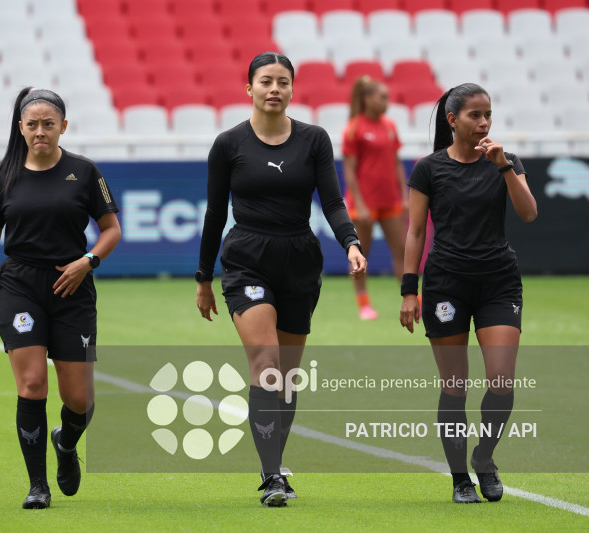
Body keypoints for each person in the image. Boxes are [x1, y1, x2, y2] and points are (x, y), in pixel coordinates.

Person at [195, 52, 367, 507]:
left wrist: (350, 242)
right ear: (248, 88)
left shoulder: (314, 139)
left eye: (283, 82)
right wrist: (203, 276)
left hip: (300, 258)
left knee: (287, 377)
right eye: (266, 81)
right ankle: (271, 475)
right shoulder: (228, 144)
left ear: (292, 89)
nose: (275, 89)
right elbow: (215, 213)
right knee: (267, 364)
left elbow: (332, 200)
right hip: (247, 257)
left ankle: (275, 459)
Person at [0, 87, 121, 509]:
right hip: (20, 286)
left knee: (80, 399)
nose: (41, 131)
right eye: (33, 124)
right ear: (21, 128)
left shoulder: (84, 172)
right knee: (31, 384)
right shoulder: (3, 175)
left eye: (50, 124)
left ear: (63, 127)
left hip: (72, 285)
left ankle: (65, 443)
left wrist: (88, 261)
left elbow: (111, 229)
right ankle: (37, 485)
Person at [399, 83, 537, 503]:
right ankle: (460, 479)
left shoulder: (506, 161)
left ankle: (484, 457)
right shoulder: (429, 168)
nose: (483, 123)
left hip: (498, 281)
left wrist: (504, 168)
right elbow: (416, 231)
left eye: (488, 115)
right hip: (446, 284)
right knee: (455, 385)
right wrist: (409, 291)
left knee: (501, 381)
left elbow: (528, 213)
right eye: (475, 115)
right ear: (452, 120)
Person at [341, 76, 410, 320]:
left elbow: (397, 163)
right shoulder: (353, 128)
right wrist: (359, 204)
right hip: (364, 204)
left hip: (391, 201)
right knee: (361, 254)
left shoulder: (390, 125)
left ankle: (411, 298)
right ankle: (364, 304)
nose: (387, 102)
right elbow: (349, 170)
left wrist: (404, 194)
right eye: (382, 98)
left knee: (402, 250)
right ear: (367, 99)